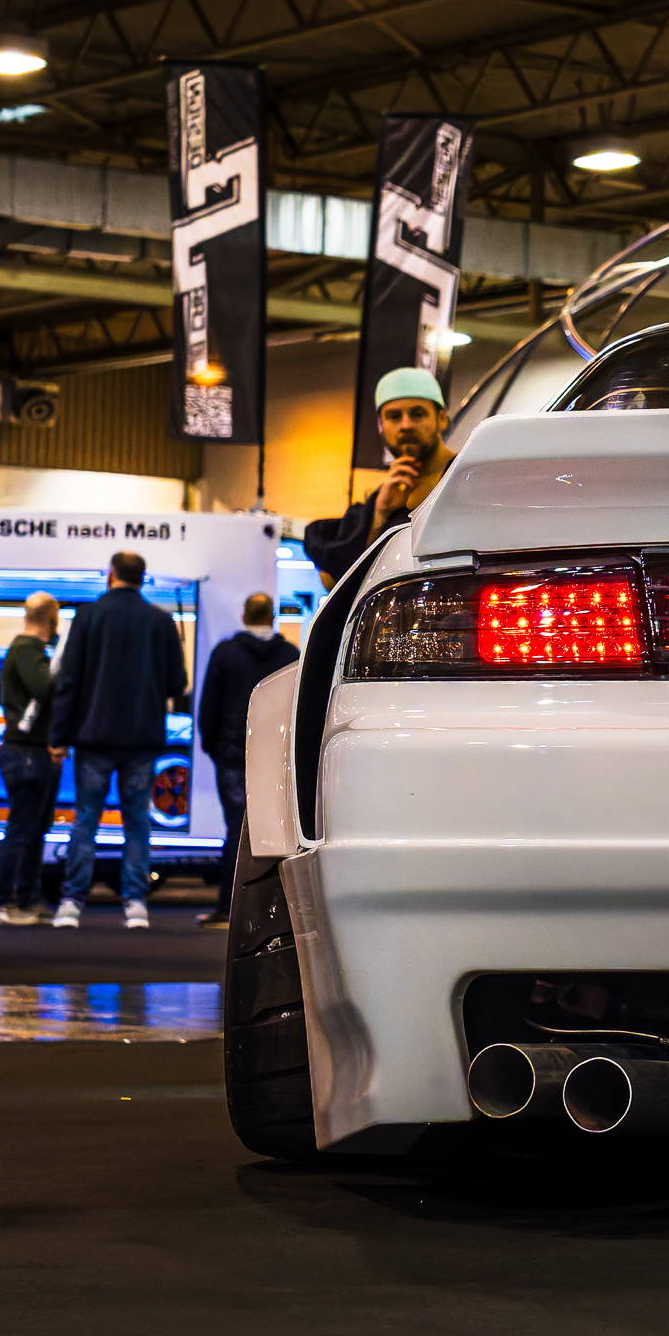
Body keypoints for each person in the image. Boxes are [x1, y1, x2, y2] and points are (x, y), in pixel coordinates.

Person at [49, 551, 189, 932]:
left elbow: (68, 681)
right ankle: (136, 904)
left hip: (93, 737)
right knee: (137, 823)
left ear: (110, 574)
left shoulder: (87, 616)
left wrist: (58, 736)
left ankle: (71, 903)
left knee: (86, 820)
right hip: (141, 737)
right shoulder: (160, 621)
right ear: (142, 578)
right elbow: (178, 683)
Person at [195, 592, 299, 930]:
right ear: (272, 616)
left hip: (233, 754)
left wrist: (215, 748)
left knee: (236, 830)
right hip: (275, 756)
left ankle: (228, 907)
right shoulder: (291, 655)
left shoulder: (225, 653)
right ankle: (272, 913)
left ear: (244, 616)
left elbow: (208, 707)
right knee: (274, 832)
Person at [301, 367, 457, 582]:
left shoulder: (465, 474)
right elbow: (330, 581)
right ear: (380, 426)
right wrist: (378, 516)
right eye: (394, 416)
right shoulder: (383, 497)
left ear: (441, 418)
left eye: (417, 414)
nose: (406, 425)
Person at [0, 592, 65, 925]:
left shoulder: (27, 650)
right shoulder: (27, 650)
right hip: (26, 752)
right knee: (21, 830)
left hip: (31, 751)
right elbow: (44, 689)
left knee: (34, 829)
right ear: (52, 618)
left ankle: (30, 900)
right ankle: (0, 903)